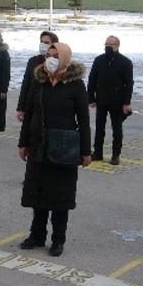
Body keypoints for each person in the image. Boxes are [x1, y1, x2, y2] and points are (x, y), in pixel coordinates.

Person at [17, 42, 92, 257]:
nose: (50, 59)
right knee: (38, 194)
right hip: (38, 145)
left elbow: (84, 120)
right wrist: (23, 143)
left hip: (64, 148)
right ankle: (37, 235)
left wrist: (86, 151)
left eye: (55, 55)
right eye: (48, 55)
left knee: (60, 197)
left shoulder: (75, 85)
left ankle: (58, 239)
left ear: (65, 59)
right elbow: (29, 113)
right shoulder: (39, 81)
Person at [87, 35, 133, 164]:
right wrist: (90, 97)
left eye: (111, 44)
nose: (108, 46)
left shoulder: (125, 62)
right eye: (106, 44)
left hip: (117, 101)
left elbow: (129, 84)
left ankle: (115, 155)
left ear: (117, 46)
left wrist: (126, 103)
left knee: (116, 129)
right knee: (99, 128)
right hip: (101, 99)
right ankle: (98, 153)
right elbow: (92, 79)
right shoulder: (99, 60)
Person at [16, 30, 58, 122]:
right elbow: (26, 84)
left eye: (46, 43)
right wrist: (21, 108)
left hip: (51, 108)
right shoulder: (33, 61)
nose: (43, 45)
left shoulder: (59, 62)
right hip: (33, 106)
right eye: (41, 42)